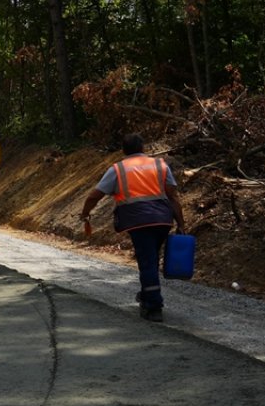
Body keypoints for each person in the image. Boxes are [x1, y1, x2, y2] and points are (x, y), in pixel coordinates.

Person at [79, 134, 187, 322]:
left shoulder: (118, 169)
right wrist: (181, 224)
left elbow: (94, 196)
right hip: (163, 220)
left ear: (123, 150)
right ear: (143, 148)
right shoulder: (160, 165)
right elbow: (173, 197)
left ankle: (154, 306)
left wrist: (85, 214)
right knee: (150, 260)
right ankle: (147, 295)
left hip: (139, 221)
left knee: (147, 262)